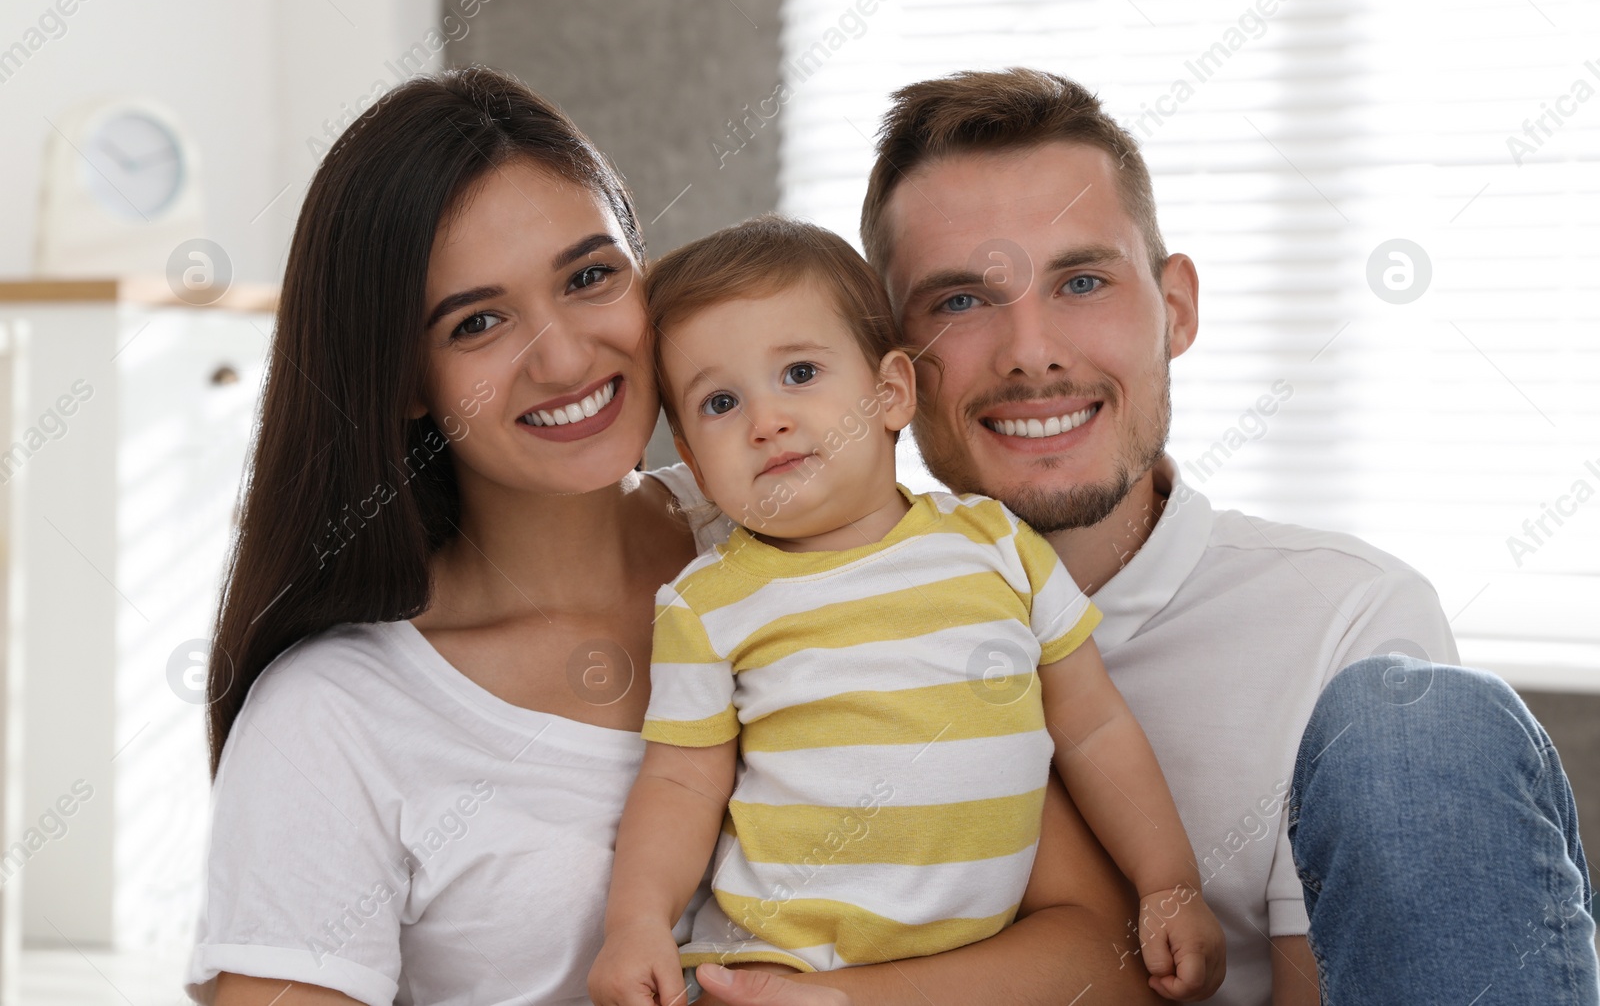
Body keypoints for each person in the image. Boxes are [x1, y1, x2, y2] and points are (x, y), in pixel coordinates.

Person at [183, 66, 1164, 1006]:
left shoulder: (819, 533)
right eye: (478, 322)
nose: (563, 355)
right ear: (401, 380)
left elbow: (1098, 954)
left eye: (590, 276)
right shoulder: (335, 716)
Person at [849, 66, 1599, 1004]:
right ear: (887, 365)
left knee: (1415, 726)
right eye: (960, 300)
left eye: (1082, 280)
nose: (1030, 349)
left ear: (1178, 308)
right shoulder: (808, 606)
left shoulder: (1343, 617)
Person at [587, 216, 1224, 1006]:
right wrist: (636, 921)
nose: (766, 419)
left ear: (891, 391)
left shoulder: (997, 545)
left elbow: (1093, 725)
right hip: (773, 968)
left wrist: (1169, 882)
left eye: (799, 373)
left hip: (982, 966)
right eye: (720, 401)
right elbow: (681, 784)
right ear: (691, 463)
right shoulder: (707, 602)